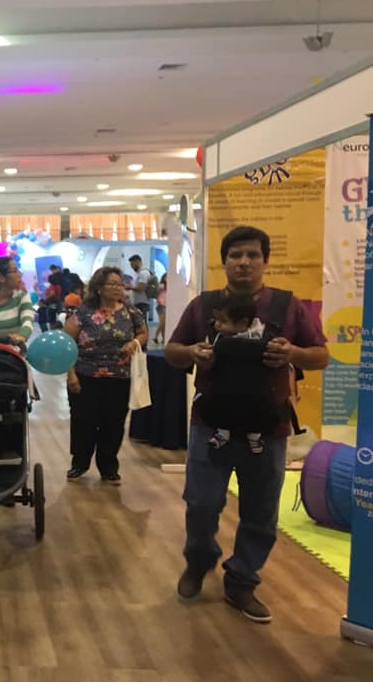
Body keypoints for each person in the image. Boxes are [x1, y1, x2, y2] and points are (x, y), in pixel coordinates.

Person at [166, 226, 328, 624]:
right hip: (210, 425)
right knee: (201, 504)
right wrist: (192, 351)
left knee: (261, 512)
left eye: (252, 255)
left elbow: (321, 355)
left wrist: (293, 353)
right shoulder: (203, 306)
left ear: (265, 260)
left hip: (268, 429)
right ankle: (199, 561)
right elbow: (172, 350)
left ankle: (241, 581)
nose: (244, 262)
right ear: (224, 261)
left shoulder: (287, 306)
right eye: (235, 255)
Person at [63, 267, 147, 485]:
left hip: (119, 377)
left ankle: (109, 466)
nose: (118, 288)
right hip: (85, 375)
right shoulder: (84, 312)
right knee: (83, 421)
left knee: (114, 423)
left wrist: (134, 343)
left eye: (120, 284)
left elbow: (143, 332)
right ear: (99, 288)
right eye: (112, 284)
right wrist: (70, 374)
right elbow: (67, 343)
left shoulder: (130, 311)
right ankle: (80, 463)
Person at [198, 293, 272, 455]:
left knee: (257, 412)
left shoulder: (261, 336)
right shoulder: (216, 337)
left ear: (242, 323)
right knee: (221, 409)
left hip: (253, 391)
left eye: (223, 321)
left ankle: (255, 438)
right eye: (216, 320)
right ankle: (222, 434)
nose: (217, 324)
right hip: (225, 389)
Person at [127, 254, 152, 321]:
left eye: (132, 264)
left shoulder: (144, 273)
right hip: (138, 302)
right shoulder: (139, 273)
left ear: (138, 262)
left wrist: (129, 287)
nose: (132, 267)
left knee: (142, 322)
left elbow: (141, 288)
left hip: (142, 302)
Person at [154, 273, 168, 345]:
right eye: (166, 277)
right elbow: (156, 293)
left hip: (165, 305)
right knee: (162, 323)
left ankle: (164, 339)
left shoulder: (168, 286)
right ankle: (155, 336)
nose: (168, 278)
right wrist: (158, 300)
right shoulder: (161, 285)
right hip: (161, 305)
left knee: (164, 323)